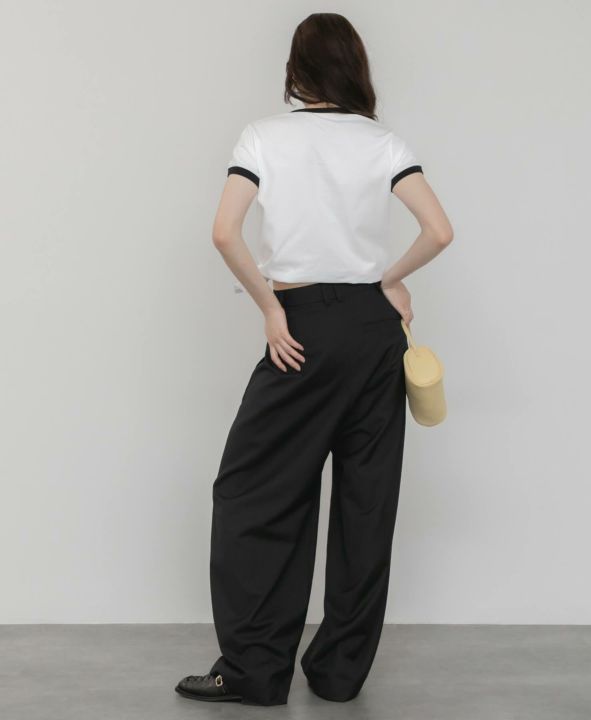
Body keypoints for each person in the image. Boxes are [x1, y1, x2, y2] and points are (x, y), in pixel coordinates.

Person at [175, 11, 453, 707]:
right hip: (374, 331)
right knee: (366, 503)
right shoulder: (383, 142)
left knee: (255, 492)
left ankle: (255, 671)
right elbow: (439, 230)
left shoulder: (264, 137)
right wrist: (389, 281)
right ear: (356, 66)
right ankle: (337, 673)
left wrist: (271, 311)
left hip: (302, 328)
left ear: (296, 70)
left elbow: (224, 231)